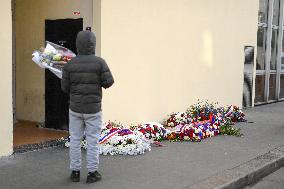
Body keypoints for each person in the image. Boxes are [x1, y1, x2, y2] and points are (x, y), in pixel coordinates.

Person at [61, 30, 114, 183]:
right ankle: (92, 173)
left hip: (75, 108)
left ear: (78, 44)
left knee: (75, 140)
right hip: (93, 110)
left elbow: (65, 88)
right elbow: (109, 82)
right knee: (92, 141)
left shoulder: (70, 64)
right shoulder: (100, 62)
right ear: (93, 44)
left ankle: (75, 173)